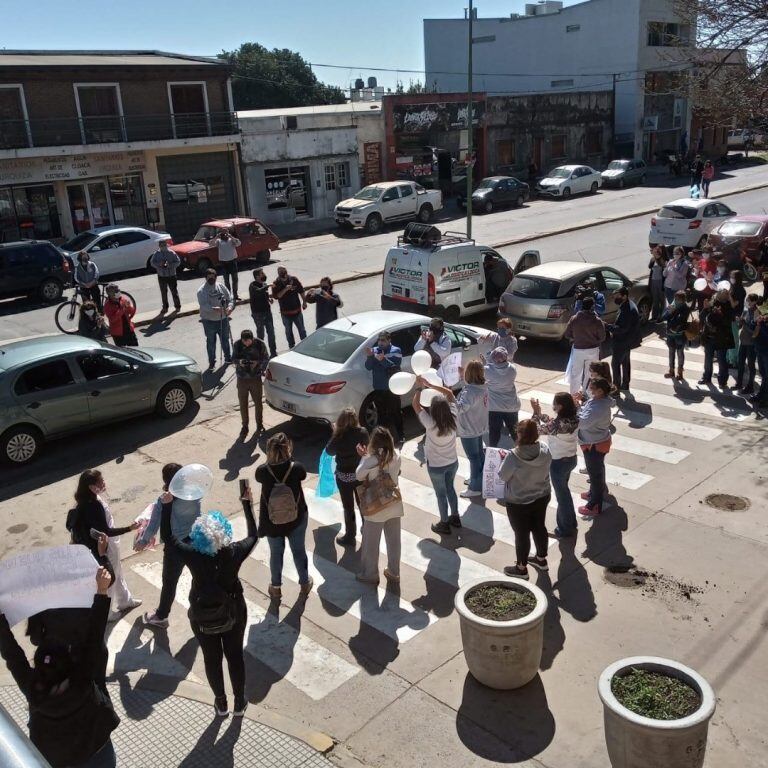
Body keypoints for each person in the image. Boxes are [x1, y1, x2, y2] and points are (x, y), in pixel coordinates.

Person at [0, 567, 120, 768]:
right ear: (69, 664)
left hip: (60, 760)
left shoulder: (32, 688)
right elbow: (94, 637)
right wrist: (101, 591)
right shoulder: (82, 679)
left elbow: (13, 657)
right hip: (98, 752)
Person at [161, 484, 256, 717]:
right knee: (235, 656)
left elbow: (168, 538)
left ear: (197, 536)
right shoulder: (233, 552)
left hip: (202, 614)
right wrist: (246, 503)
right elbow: (254, 535)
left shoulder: (193, 554)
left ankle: (221, 703)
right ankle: (239, 703)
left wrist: (167, 506)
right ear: (224, 533)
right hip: (233, 610)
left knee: (211, 658)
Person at [69, 470, 141, 622]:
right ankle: (107, 612)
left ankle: (125, 601)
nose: (103, 484)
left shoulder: (85, 500)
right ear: (91, 487)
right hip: (105, 547)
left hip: (106, 544)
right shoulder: (93, 505)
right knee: (110, 579)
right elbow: (106, 530)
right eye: (100, 482)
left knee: (118, 572)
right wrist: (129, 528)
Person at [137, 463, 201, 629]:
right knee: (199, 577)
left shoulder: (164, 499)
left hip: (174, 547)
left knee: (170, 582)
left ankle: (161, 616)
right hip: (194, 540)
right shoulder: (194, 492)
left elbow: (154, 523)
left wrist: (143, 541)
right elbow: (198, 514)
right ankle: (199, 611)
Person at [255, 433, 313, 601]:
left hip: (272, 522)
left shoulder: (262, 472)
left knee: (276, 554)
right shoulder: (296, 468)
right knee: (299, 551)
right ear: (288, 448)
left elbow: (260, 477)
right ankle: (304, 583)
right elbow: (302, 475)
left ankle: (276, 588)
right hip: (297, 519)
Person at [498, 419, 552, 579]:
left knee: (521, 534)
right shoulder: (545, 449)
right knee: (539, 527)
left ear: (520, 435)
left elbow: (502, 476)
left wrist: (503, 460)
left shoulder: (513, 456)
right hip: (542, 495)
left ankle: (521, 568)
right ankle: (541, 559)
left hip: (518, 501)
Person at [430, 361, 487, 499]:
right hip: (479, 426)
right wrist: (464, 376)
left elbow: (460, 408)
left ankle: (475, 487)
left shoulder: (469, 391)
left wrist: (451, 397)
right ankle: (478, 479)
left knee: (473, 458)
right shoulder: (483, 386)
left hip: (469, 429)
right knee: (479, 456)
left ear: (470, 374)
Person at [355, 427, 403, 584]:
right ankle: (394, 571)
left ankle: (370, 574)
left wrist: (364, 457)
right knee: (394, 541)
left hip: (376, 507)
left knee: (371, 543)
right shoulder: (396, 456)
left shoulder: (371, 460)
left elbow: (359, 475)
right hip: (393, 504)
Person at [412, 386, 459, 535]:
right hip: (452, 462)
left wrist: (419, 387)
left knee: (440, 494)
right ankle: (455, 517)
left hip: (436, 466)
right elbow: (450, 394)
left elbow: (416, 405)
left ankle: (444, 523)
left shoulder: (430, 423)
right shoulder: (454, 417)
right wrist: (431, 385)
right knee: (450, 488)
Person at [531, 393, 579, 539]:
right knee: (565, 493)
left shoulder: (557, 425)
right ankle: (571, 522)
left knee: (562, 497)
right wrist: (540, 414)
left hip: (558, 463)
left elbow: (536, 430)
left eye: (555, 403)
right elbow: (552, 423)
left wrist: (535, 414)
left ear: (560, 406)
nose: (553, 405)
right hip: (571, 459)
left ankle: (564, 529)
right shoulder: (574, 418)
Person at [325, 407, 370, 546]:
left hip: (344, 477)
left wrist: (335, 432)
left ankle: (350, 536)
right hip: (359, 475)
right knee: (363, 505)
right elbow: (368, 448)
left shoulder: (339, 436)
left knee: (348, 507)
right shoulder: (362, 432)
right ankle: (367, 531)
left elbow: (329, 451)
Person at [576, 377, 613, 519]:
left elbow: (583, 423)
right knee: (596, 471)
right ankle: (594, 492)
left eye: (592, 388)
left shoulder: (598, 407)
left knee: (595, 474)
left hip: (595, 444)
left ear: (600, 391)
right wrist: (581, 404)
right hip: (596, 441)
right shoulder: (599, 401)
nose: (589, 390)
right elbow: (587, 411)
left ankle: (594, 505)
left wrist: (577, 408)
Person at [364, 331, 404, 441]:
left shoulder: (396, 350)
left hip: (392, 388)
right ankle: (384, 438)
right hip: (379, 388)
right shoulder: (375, 350)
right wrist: (370, 357)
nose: (380, 343)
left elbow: (395, 366)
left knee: (395, 412)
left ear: (389, 340)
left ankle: (401, 435)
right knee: (381, 414)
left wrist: (383, 359)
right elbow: (368, 367)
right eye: (379, 340)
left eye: (383, 340)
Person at [564, 296, 606, 395]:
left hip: (578, 350)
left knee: (576, 374)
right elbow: (603, 337)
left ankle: (574, 396)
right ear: (592, 307)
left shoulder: (574, 319)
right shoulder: (597, 320)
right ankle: (589, 395)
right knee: (591, 374)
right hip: (593, 350)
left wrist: (575, 339)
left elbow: (567, 334)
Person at [232, 329, 269, 438]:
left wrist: (258, 365)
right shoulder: (237, 345)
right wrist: (240, 362)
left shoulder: (259, 344)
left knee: (258, 403)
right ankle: (245, 426)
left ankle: (259, 424)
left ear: (252, 339)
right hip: (242, 379)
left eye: (248, 341)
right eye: (245, 341)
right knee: (243, 404)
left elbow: (266, 358)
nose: (247, 343)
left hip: (255, 378)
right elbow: (233, 358)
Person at [197, 268, 234, 371]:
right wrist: (214, 309)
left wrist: (230, 307)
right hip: (209, 321)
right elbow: (203, 305)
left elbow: (230, 298)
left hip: (223, 319)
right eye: (209, 279)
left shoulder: (220, 286)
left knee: (225, 340)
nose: (211, 280)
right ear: (206, 278)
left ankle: (228, 358)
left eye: (213, 278)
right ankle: (212, 362)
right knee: (211, 343)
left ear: (216, 277)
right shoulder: (201, 291)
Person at [484, 347, 520, 448]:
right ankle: (521, 450)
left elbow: (487, 369)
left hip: (494, 408)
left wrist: (485, 361)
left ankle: (492, 453)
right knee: (515, 432)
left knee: (494, 433)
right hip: (511, 406)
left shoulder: (487, 370)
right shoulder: (513, 369)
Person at [699, 289, 735, 389]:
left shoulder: (728, 306)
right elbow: (702, 317)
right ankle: (706, 377)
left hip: (722, 338)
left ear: (727, 296)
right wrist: (705, 308)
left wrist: (719, 314)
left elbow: (728, 321)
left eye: (724, 294)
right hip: (709, 337)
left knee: (722, 360)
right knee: (708, 359)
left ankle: (723, 381)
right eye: (720, 293)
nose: (721, 295)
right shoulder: (712, 303)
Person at [607, 287, 640, 393]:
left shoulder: (628, 309)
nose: (615, 298)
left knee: (615, 364)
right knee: (625, 363)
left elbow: (622, 329)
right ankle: (625, 384)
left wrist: (607, 326)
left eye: (617, 296)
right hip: (627, 341)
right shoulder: (626, 305)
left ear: (624, 296)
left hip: (622, 341)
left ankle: (616, 389)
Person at [272, 266, 307, 348]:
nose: (282, 272)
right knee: (288, 332)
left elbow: (301, 290)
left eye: (283, 270)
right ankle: (292, 347)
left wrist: (304, 302)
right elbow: (277, 296)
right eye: (279, 271)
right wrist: (285, 289)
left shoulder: (294, 280)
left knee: (302, 330)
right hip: (285, 314)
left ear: (286, 271)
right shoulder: (276, 283)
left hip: (297, 311)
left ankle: (306, 346)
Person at [662, 291, 691, 380]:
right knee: (671, 352)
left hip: (679, 334)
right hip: (670, 334)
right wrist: (669, 312)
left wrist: (672, 312)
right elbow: (663, 317)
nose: (676, 301)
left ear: (683, 300)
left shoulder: (685, 308)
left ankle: (680, 372)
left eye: (678, 299)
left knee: (679, 353)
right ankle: (671, 371)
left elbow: (680, 320)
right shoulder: (672, 306)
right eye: (675, 299)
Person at [248, 268, 277, 358]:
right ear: (257, 276)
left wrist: (269, 299)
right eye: (262, 273)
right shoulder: (252, 286)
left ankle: (273, 352)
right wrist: (268, 285)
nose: (264, 274)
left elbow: (264, 294)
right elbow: (258, 291)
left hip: (267, 312)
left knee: (271, 333)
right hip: (258, 314)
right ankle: (261, 354)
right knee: (261, 334)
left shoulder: (263, 284)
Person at [150, 239, 182, 314]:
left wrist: (170, 265)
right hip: (161, 276)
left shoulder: (171, 253)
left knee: (174, 292)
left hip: (171, 275)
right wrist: (159, 265)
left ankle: (177, 306)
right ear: (159, 246)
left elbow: (178, 262)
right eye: (161, 246)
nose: (163, 247)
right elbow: (152, 263)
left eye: (164, 245)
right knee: (163, 293)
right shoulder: (156, 254)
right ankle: (165, 307)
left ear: (166, 245)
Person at [736, 294, 758, 394]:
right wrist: (739, 322)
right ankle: (739, 383)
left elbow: (754, 331)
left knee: (751, 365)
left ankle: (750, 386)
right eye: (747, 300)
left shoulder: (757, 313)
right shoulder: (745, 311)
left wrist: (745, 323)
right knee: (740, 362)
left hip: (751, 343)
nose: (747, 302)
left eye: (749, 300)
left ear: (754, 301)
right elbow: (740, 325)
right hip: (743, 341)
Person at [211, 229, 242, 301]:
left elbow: (239, 243)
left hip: (232, 262)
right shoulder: (218, 241)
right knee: (226, 280)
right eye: (222, 233)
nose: (224, 234)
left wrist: (231, 236)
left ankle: (235, 295)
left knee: (235, 279)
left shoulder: (231, 240)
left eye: (226, 233)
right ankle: (228, 296)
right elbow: (211, 244)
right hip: (224, 263)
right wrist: (216, 237)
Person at [727, 270, 746, 368]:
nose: (731, 278)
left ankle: (733, 361)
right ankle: (728, 359)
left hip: (735, 317)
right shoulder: (732, 287)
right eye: (731, 276)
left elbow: (734, 304)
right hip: (728, 316)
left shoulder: (740, 290)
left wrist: (729, 296)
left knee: (733, 339)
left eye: (733, 277)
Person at [749, 313, 768, 406]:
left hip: (765, 350)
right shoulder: (763, 316)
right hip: (760, 349)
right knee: (763, 374)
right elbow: (751, 326)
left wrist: (762, 325)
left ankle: (765, 399)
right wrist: (756, 321)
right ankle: (761, 395)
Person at [648, 246, 668, 322]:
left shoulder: (663, 260)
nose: (655, 252)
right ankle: (654, 316)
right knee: (655, 300)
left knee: (662, 299)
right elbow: (650, 266)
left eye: (657, 251)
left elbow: (664, 271)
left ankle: (662, 316)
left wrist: (659, 259)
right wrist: (653, 259)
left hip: (660, 282)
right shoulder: (653, 259)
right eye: (655, 251)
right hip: (653, 281)